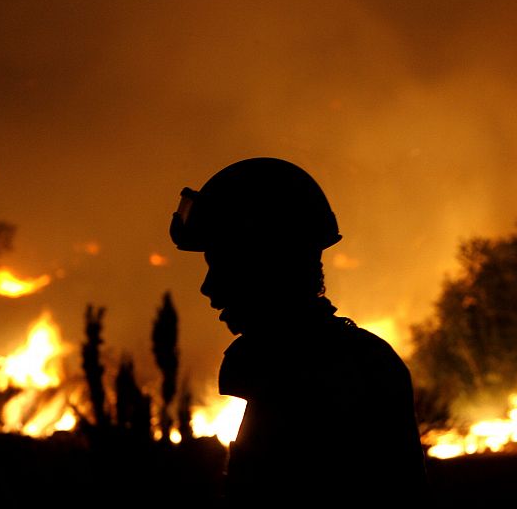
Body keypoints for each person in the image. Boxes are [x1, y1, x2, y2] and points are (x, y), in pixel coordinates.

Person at [169, 157, 428, 505]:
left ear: (268, 265)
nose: (208, 288)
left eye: (223, 266)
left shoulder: (313, 377)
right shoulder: (344, 363)